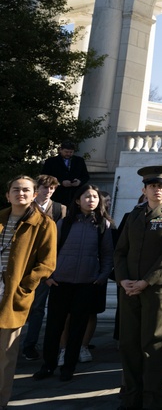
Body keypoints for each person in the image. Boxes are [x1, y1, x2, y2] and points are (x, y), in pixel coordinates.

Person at [114, 165, 162, 410]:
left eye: (161, 186)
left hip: (156, 289)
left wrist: (146, 281)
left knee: (152, 346)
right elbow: (120, 251)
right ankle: (131, 398)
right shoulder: (134, 215)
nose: (157, 190)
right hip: (129, 289)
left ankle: (153, 401)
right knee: (128, 344)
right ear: (143, 189)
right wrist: (123, 280)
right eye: (152, 186)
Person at [33, 184, 113, 382]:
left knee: (78, 328)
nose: (91, 200)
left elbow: (107, 254)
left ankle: (69, 367)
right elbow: (49, 251)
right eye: (87, 197)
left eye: (95, 197)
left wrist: (101, 277)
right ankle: (48, 365)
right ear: (78, 200)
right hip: (60, 282)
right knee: (54, 327)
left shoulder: (103, 224)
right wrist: (49, 277)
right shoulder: (64, 223)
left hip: (87, 284)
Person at [0, 176, 57, 408]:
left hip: (13, 294)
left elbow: (47, 263)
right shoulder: (1, 217)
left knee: (5, 355)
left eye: (26, 190)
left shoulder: (44, 223)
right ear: (7, 194)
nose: (20, 194)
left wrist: (25, 287)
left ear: (35, 194)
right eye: (15, 189)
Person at [19, 174, 65, 362]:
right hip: (21, 264)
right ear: (37, 188)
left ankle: (29, 345)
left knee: (38, 308)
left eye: (52, 188)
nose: (48, 191)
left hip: (45, 267)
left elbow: (61, 241)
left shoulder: (59, 209)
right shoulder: (25, 206)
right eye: (45, 188)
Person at [41, 141, 90, 206]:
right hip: (58, 194)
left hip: (75, 194)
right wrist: (60, 182)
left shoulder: (79, 161)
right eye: (66, 152)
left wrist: (79, 181)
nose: (68, 154)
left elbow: (86, 176)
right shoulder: (51, 161)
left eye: (71, 152)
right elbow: (45, 177)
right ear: (60, 150)